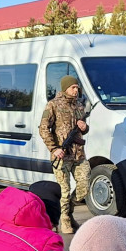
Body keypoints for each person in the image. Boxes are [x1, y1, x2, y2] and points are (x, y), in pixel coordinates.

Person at [39, 75, 90, 233]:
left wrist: (84, 127)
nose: (76, 90)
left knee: (85, 186)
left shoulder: (79, 106)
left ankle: (68, 212)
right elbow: (43, 128)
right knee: (64, 190)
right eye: (73, 87)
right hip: (61, 155)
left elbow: (84, 129)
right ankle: (65, 221)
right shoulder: (53, 105)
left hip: (78, 155)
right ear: (65, 88)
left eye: (77, 88)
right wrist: (54, 149)